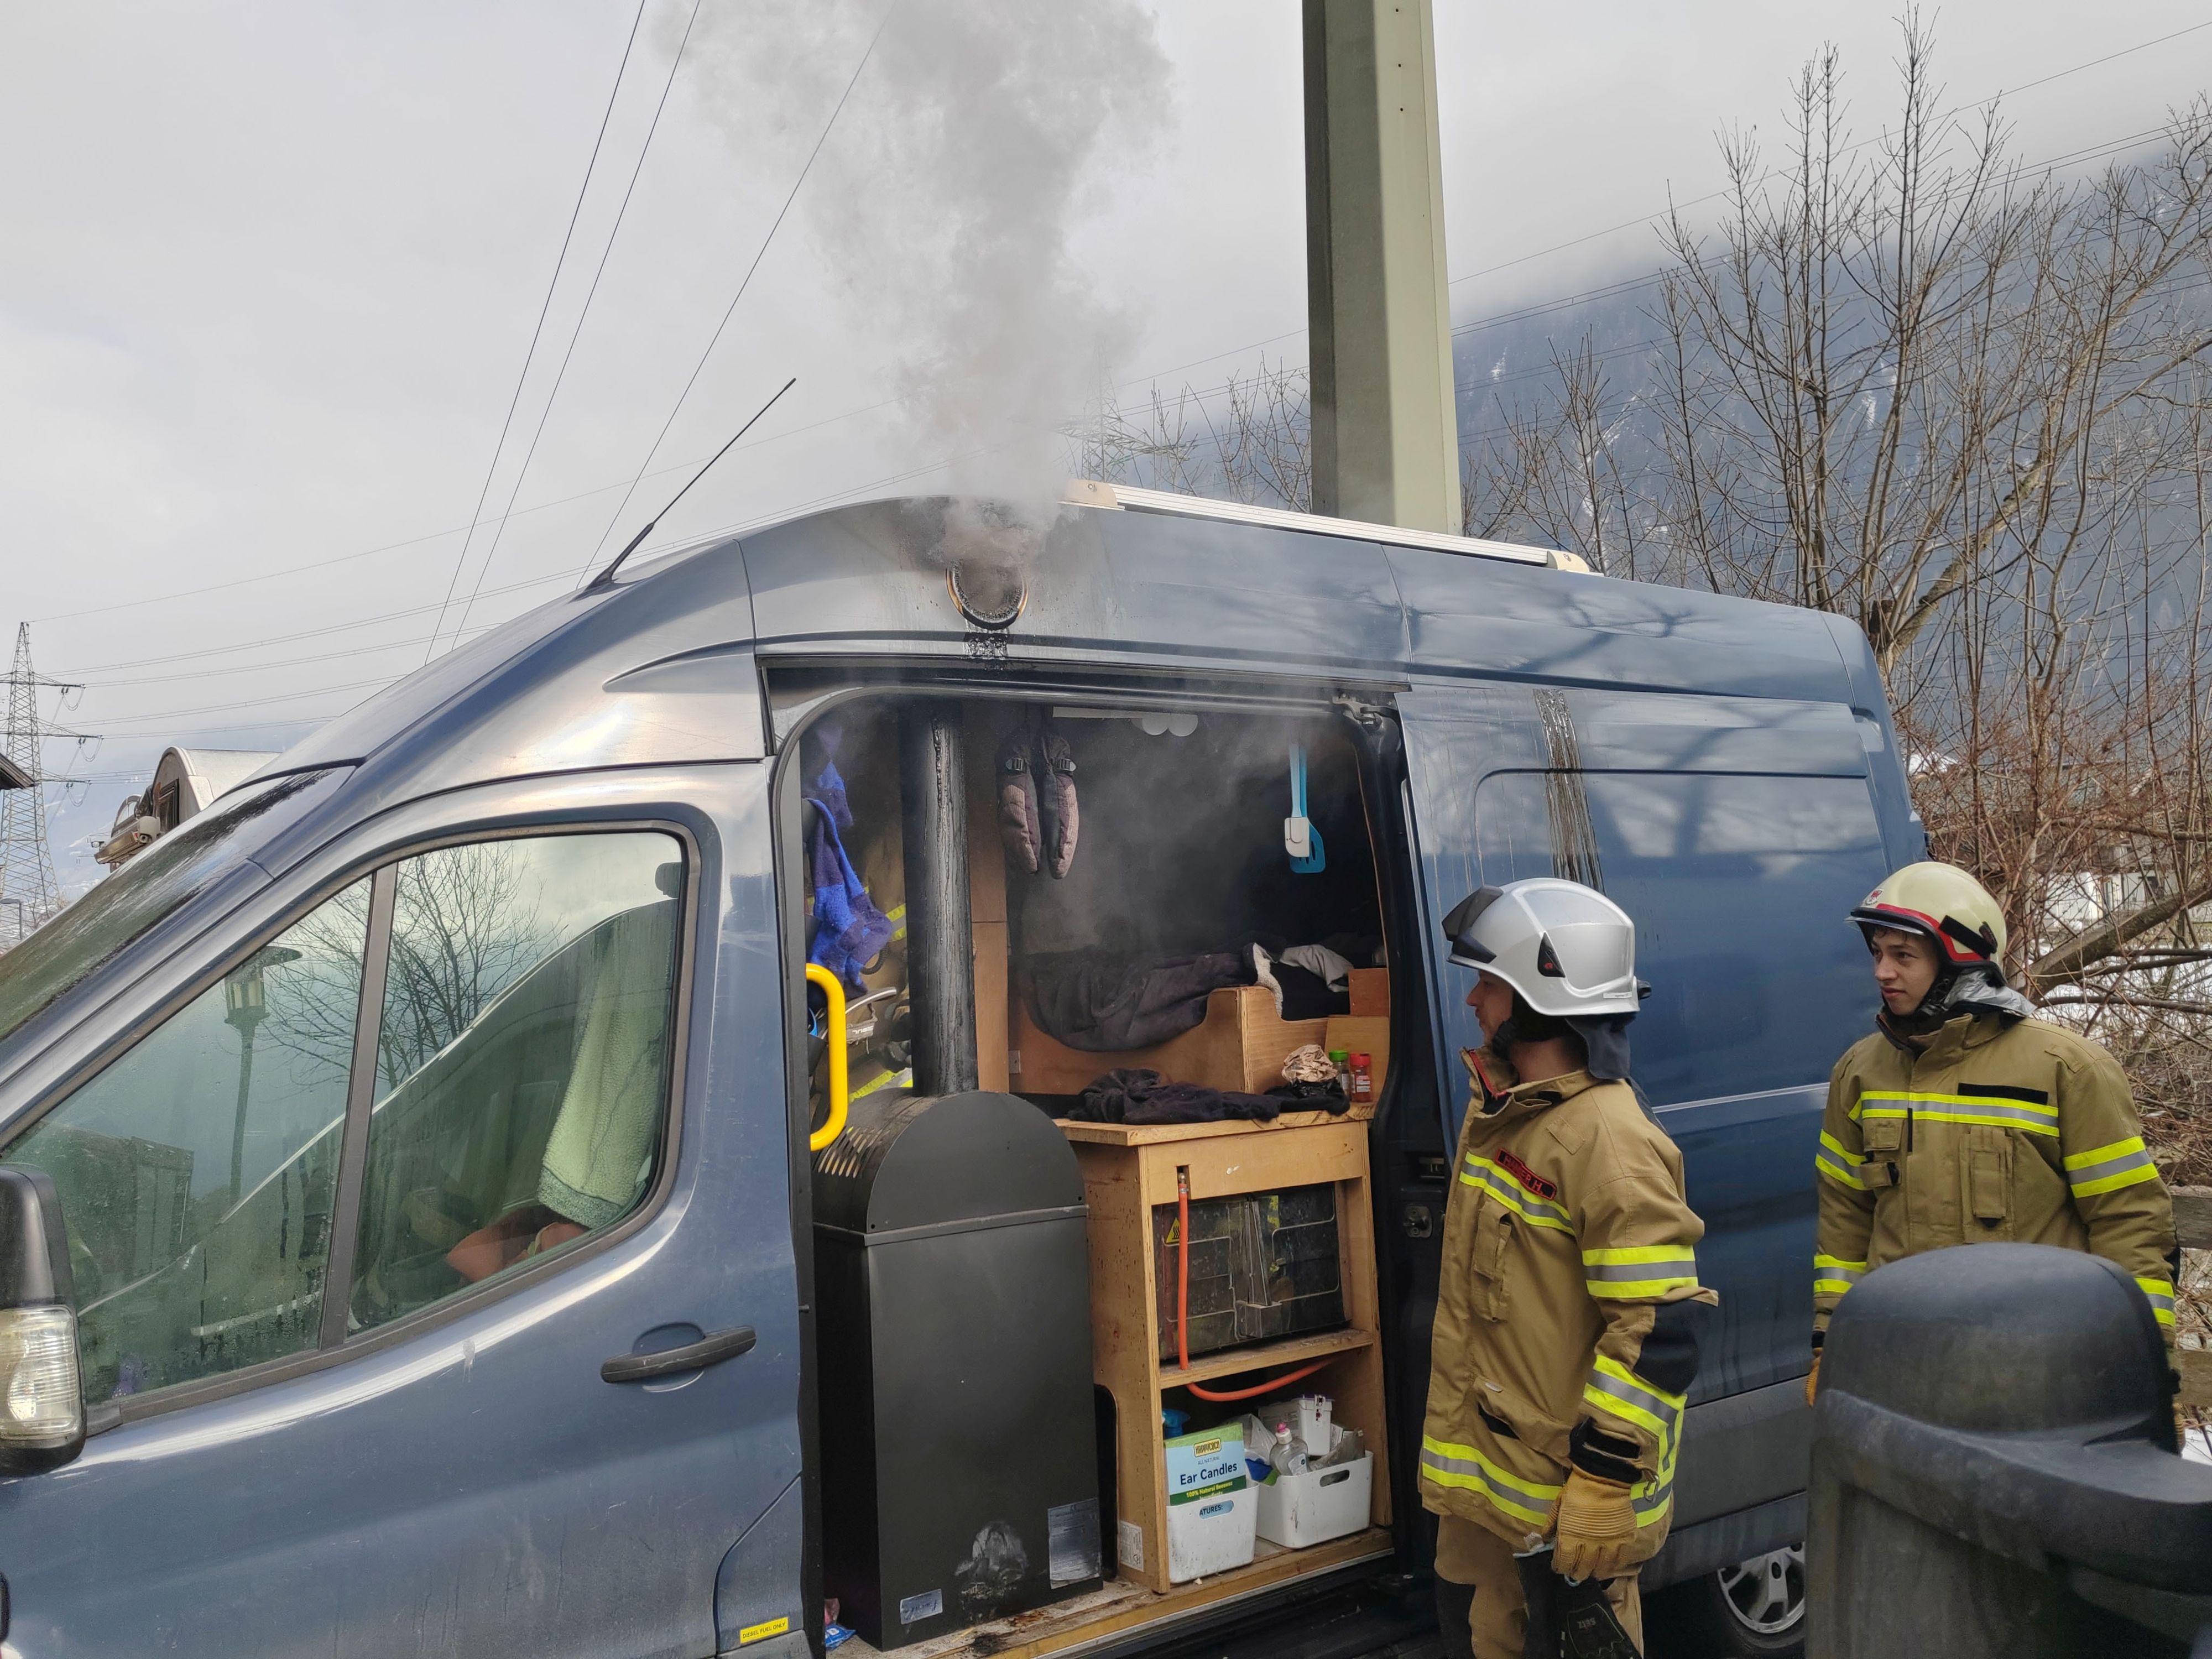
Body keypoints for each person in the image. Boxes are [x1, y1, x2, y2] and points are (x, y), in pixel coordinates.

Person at [1421, 879, 1717, 1658]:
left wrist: (1603, 1481)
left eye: (1487, 983)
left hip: (1566, 1512)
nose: (1473, 1002)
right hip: (1488, 1501)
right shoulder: (1506, 1113)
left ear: (1534, 995)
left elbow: (1661, 1333)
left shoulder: (1608, 1145)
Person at [1808, 861, 2180, 1408]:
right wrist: (1829, 1342)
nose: (1882, 972)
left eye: (1903, 956)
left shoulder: (2066, 1069)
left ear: (1961, 960)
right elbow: (1844, 1222)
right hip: (1898, 1370)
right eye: (1878, 954)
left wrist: (2150, 1374)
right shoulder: (1859, 1072)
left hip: (2033, 1379)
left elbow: (2130, 1225)